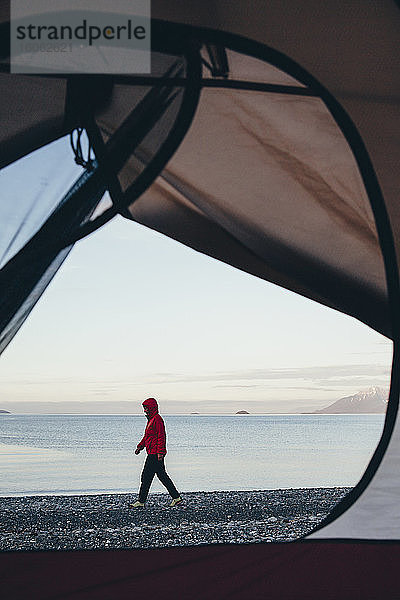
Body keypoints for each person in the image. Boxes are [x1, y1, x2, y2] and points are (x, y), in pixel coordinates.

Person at [130, 397, 182, 508]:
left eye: (146, 408)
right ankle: (176, 497)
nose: (145, 410)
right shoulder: (151, 420)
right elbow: (147, 437)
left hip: (155, 454)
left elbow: (161, 437)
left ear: (152, 408)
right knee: (161, 476)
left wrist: (160, 452)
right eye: (144, 408)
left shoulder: (157, 420)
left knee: (146, 477)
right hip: (152, 453)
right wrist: (140, 447)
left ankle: (141, 501)